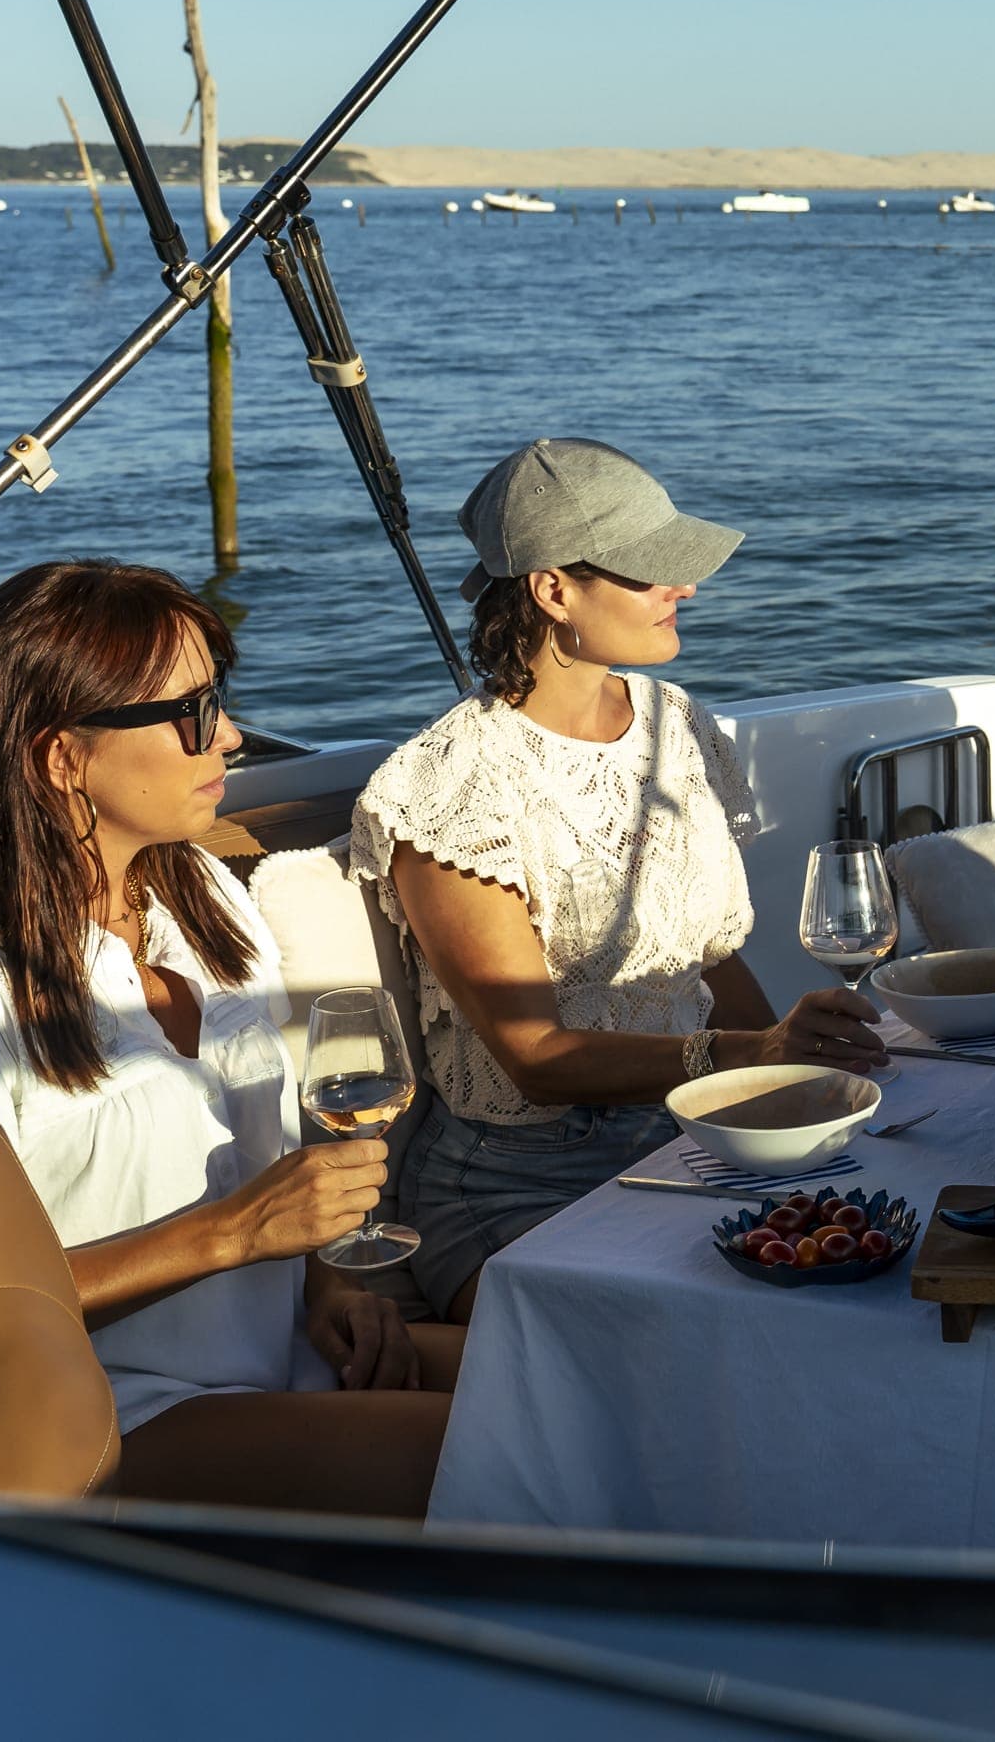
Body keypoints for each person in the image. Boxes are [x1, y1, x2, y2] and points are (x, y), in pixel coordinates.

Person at [0, 561, 456, 1517]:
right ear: (59, 759)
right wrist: (235, 1234)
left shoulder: (199, 897)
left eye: (220, 701)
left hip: (282, 1356)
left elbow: (278, 1164)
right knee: (500, 1451)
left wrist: (328, 1281)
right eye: (192, 716)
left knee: (588, 1386)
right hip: (94, 1420)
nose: (232, 737)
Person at [353, 437, 884, 1321]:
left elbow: (709, 961)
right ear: (553, 588)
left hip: (691, 1138)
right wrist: (752, 1058)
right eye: (651, 571)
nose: (685, 588)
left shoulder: (676, 724)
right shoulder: (450, 789)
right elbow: (535, 1061)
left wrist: (806, 1080)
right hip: (522, 1183)